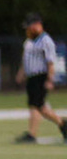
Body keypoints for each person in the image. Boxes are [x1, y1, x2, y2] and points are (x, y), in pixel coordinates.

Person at [17, 13, 65, 144]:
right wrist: (21, 73)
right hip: (31, 77)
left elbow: (50, 62)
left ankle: (36, 132)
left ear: (37, 25)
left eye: (30, 26)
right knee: (37, 106)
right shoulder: (29, 41)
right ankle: (36, 132)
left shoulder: (46, 41)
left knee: (37, 105)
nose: (28, 29)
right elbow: (25, 59)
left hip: (40, 76)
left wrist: (50, 79)